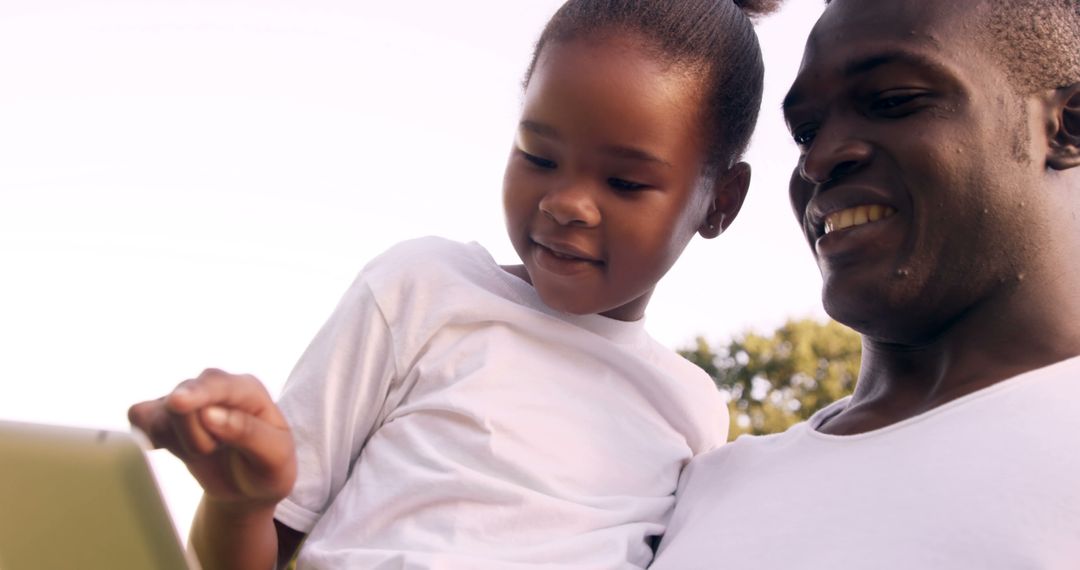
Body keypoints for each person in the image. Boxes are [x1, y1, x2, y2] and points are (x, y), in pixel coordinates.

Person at [127, 1, 785, 568]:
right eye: (539, 156)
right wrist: (241, 503)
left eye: (625, 182)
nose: (567, 204)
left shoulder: (692, 412)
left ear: (720, 203)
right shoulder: (423, 291)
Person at [650, 0, 1080, 567]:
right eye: (805, 132)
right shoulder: (699, 488)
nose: (819, 159)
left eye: (894, 101)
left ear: (1066, 126)